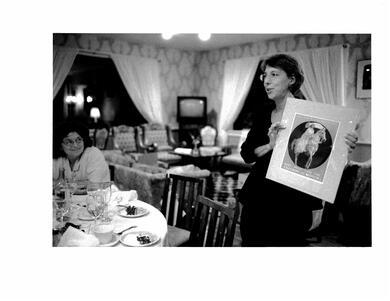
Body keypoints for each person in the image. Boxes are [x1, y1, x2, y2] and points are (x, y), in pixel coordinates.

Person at [239, 54, 358, 246]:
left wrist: (345, 145)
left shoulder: (314, 115)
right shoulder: (263, 114)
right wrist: (271, 145)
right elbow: (246, 155)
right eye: (264, 75)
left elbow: (327, 159)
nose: (266, 81)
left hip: (293, 205)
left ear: (292, 79)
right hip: (258, 201)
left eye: (274, 75)